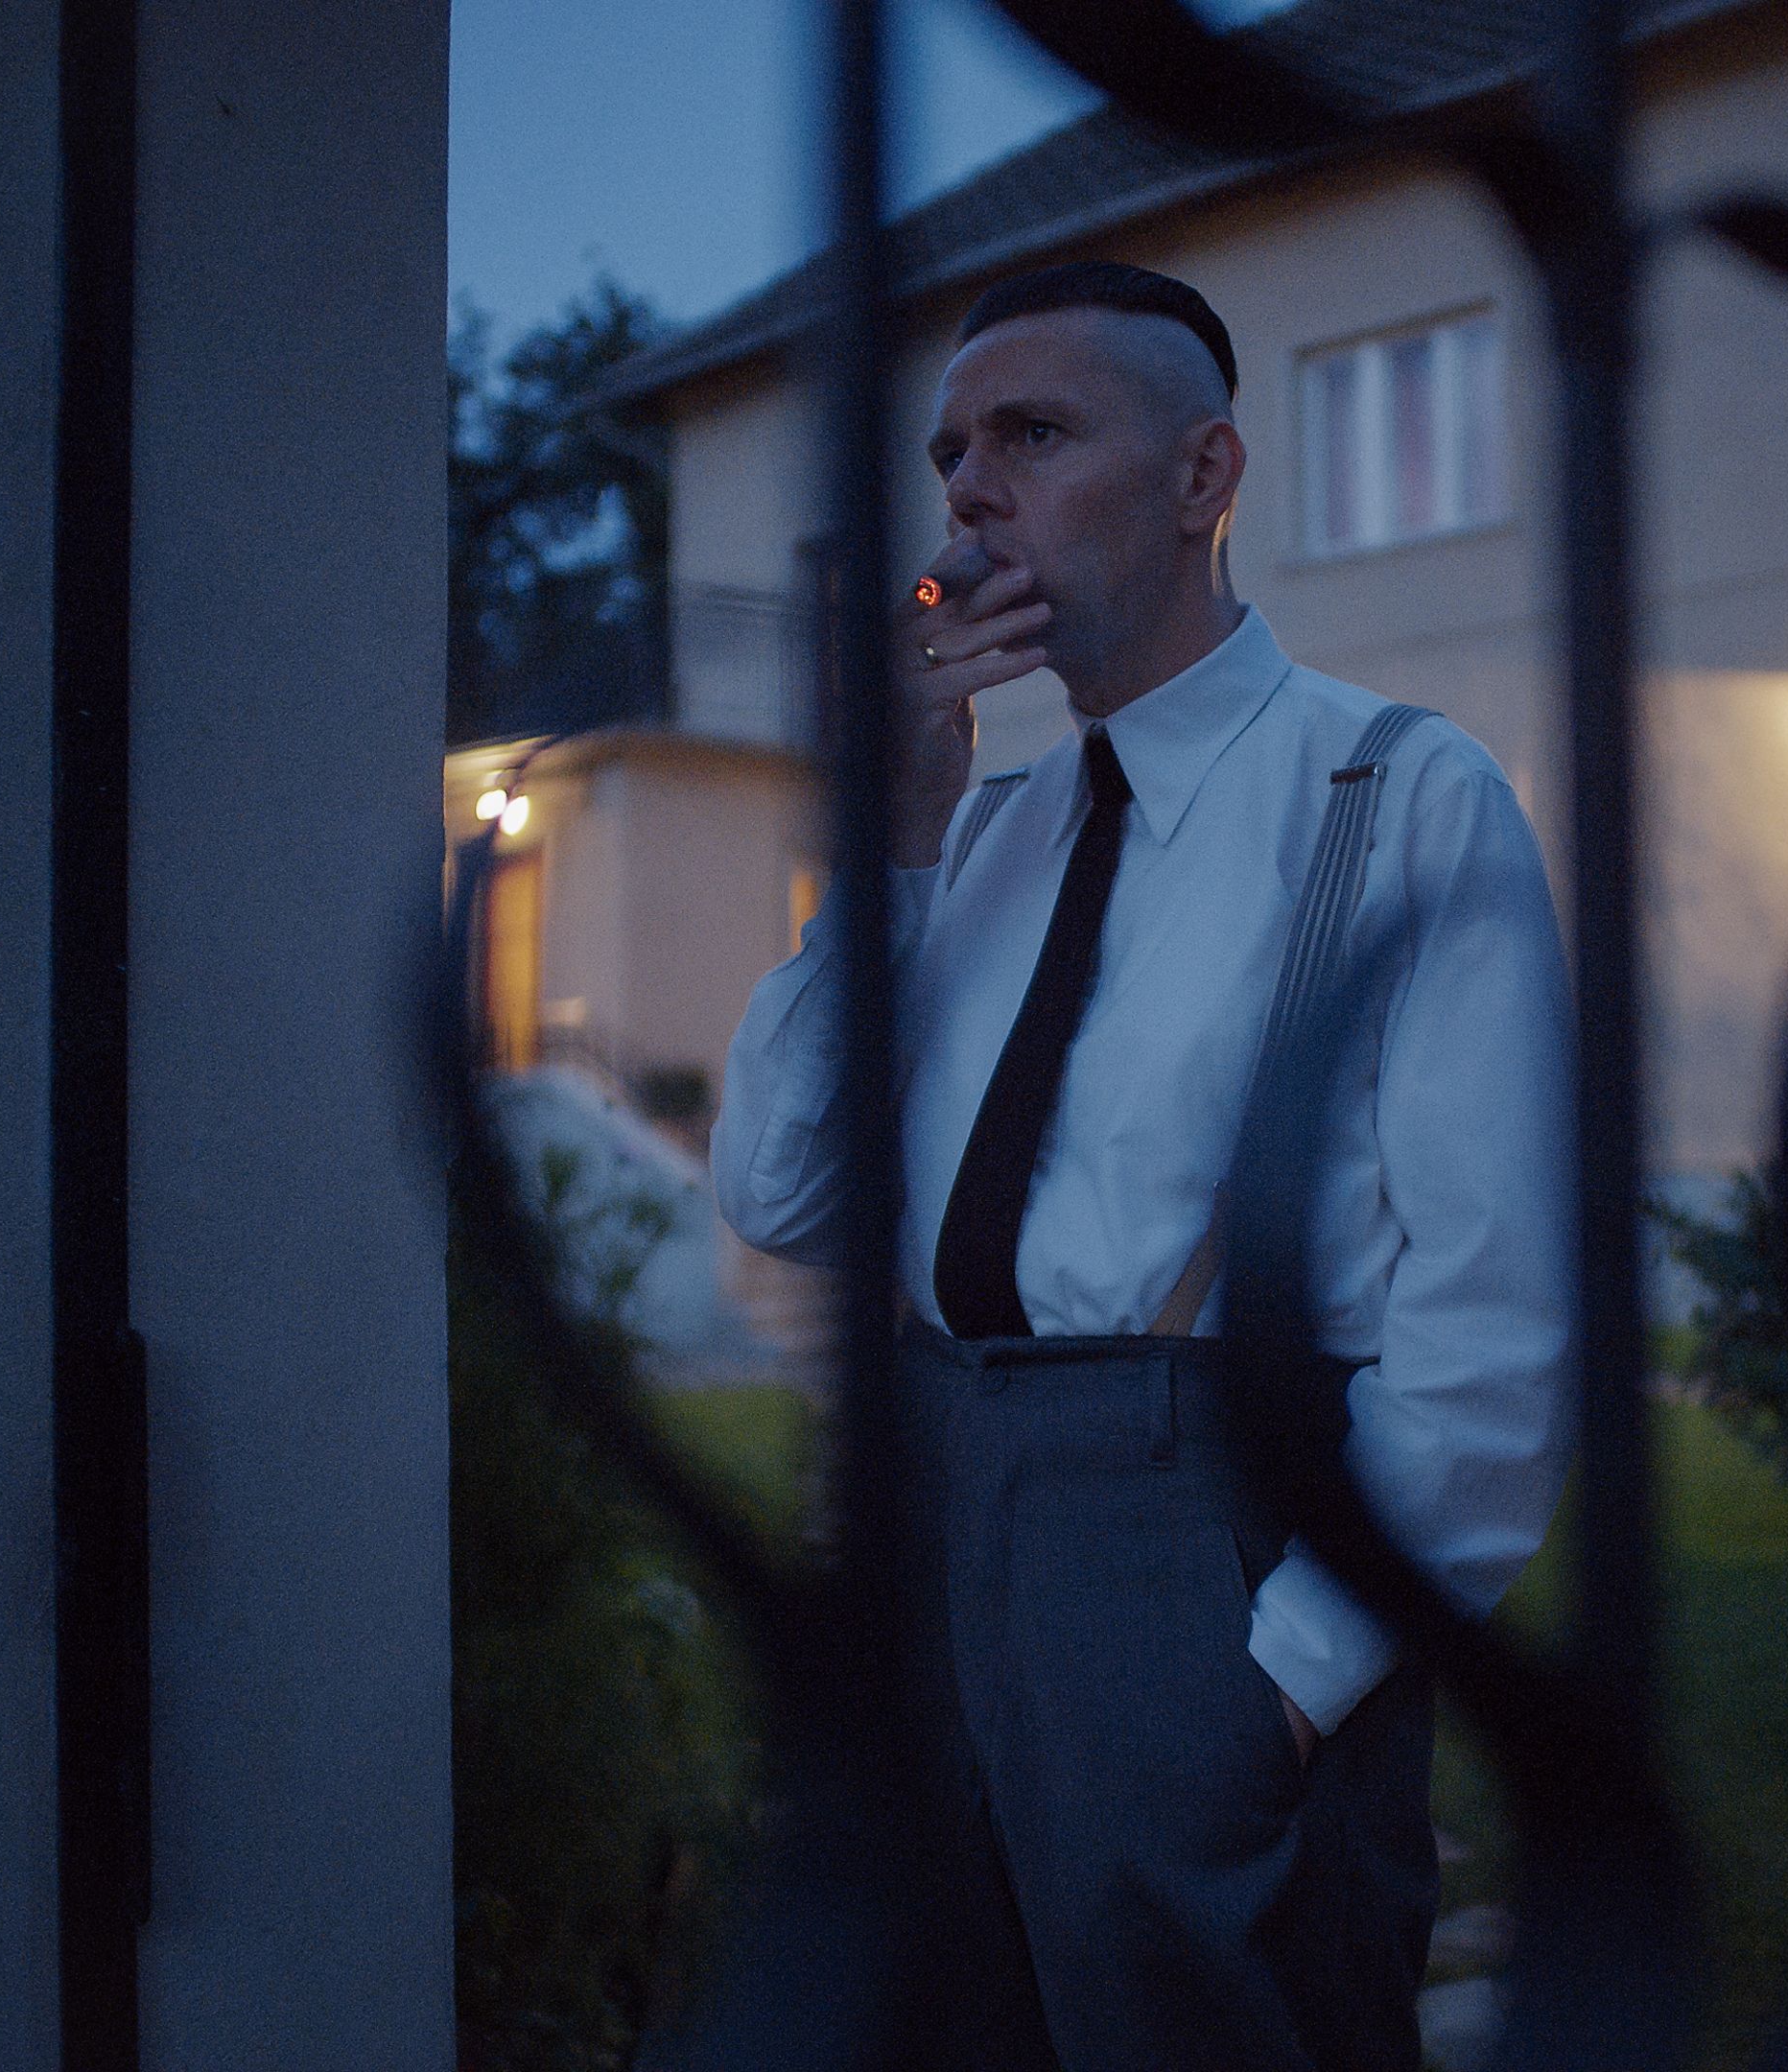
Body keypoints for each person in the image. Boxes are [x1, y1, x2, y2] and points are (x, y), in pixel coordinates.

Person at [711, 262, 1573, 2072]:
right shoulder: (994, 831)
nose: (966, 490)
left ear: (1204, 479)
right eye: (951, 453)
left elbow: (1493, 1322)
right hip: (949, 1515)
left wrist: (1282, 1685)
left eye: (1031, 433)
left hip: (1212, 1546)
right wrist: (889, 840)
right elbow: (783, 1189)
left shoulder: (1398, 793)